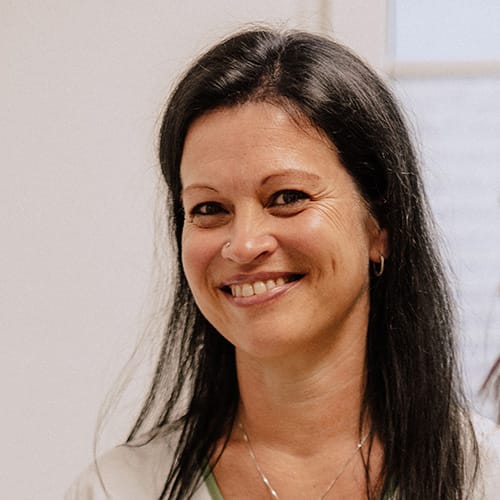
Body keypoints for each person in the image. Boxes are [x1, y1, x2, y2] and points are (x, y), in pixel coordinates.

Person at [66, 27, 500, 499]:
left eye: (287, 197)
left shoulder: (484, 477)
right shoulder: (116, 488)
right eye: (209, 208)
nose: (243, 245)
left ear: (381, 226)